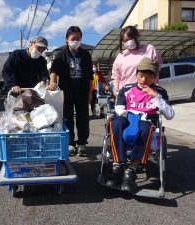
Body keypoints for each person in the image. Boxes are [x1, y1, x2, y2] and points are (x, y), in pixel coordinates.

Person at [105, 58, 175, 193]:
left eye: (149, 77)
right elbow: (119, 109)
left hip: (148, 123)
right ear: (136, 74)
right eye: (141, 75)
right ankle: (118, 165)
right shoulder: (126, 89)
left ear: (155, 77)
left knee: (145, 127)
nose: (144, 80)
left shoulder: (160, 92)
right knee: (116, 122)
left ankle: (131, 170)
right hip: (128, 119)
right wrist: (134, 115)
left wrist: (155, 96)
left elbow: (170, 115)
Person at [48, 26, 93, 157]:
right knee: (67, 118)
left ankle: (82, 143)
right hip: (66, 91)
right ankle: (70, 143)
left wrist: (90, 93)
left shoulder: (85, 55)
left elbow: (90, 75)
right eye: (73, 38)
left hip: (82, 91)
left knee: (83, 118)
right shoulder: (60, 54)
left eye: (78, 38)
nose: (75, 41)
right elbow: (54, 71)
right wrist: (52, 83)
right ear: (66, 39)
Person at [111, 25, 162, 96]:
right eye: (125, 40)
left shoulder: (149, 49)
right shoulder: (120, 56)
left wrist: (156, 89)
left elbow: (156, 70)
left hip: (146, 93)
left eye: (130, 39)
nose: (128, 42)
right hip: (126, 94)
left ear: (136, 36)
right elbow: (116, 76)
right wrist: (116, 90)